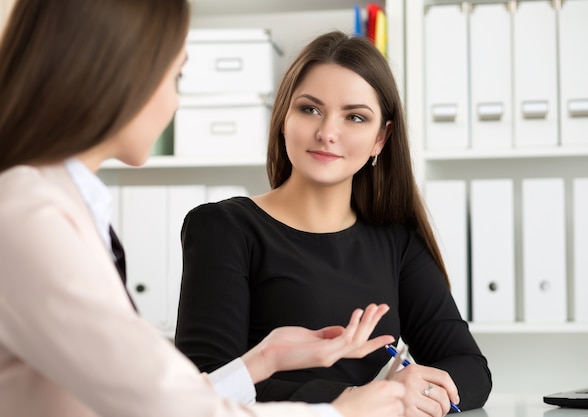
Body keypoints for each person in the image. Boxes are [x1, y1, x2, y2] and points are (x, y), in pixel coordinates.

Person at [0, 2, 407, 417]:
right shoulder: (28, 218)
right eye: (175, 76)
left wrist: (263, 359)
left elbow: (153, 392)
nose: (175, 103)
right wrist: (343, 413)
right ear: (116, 69)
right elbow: (166, 409)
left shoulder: (49, 204)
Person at [175, 30, 493, 417]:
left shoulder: (396, 239)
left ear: (381, 138)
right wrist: (364, 398)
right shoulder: (223, 228)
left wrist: (415, 387)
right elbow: (209, 379)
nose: (327, 133)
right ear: (283, 116)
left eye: (355, 117)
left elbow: (470, 368)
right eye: (309, 109)